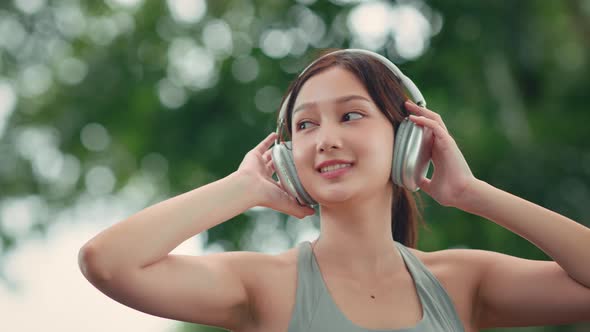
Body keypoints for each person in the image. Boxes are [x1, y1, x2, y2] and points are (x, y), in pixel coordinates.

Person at [78, 49, 590, 332]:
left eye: (350, 115)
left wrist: (473, 194)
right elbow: (107, 261)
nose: (325, 140)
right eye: (304, 126)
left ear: (409, 138)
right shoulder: (265, 285)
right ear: (287, 157)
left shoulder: (462, 281)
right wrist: (242, 188)